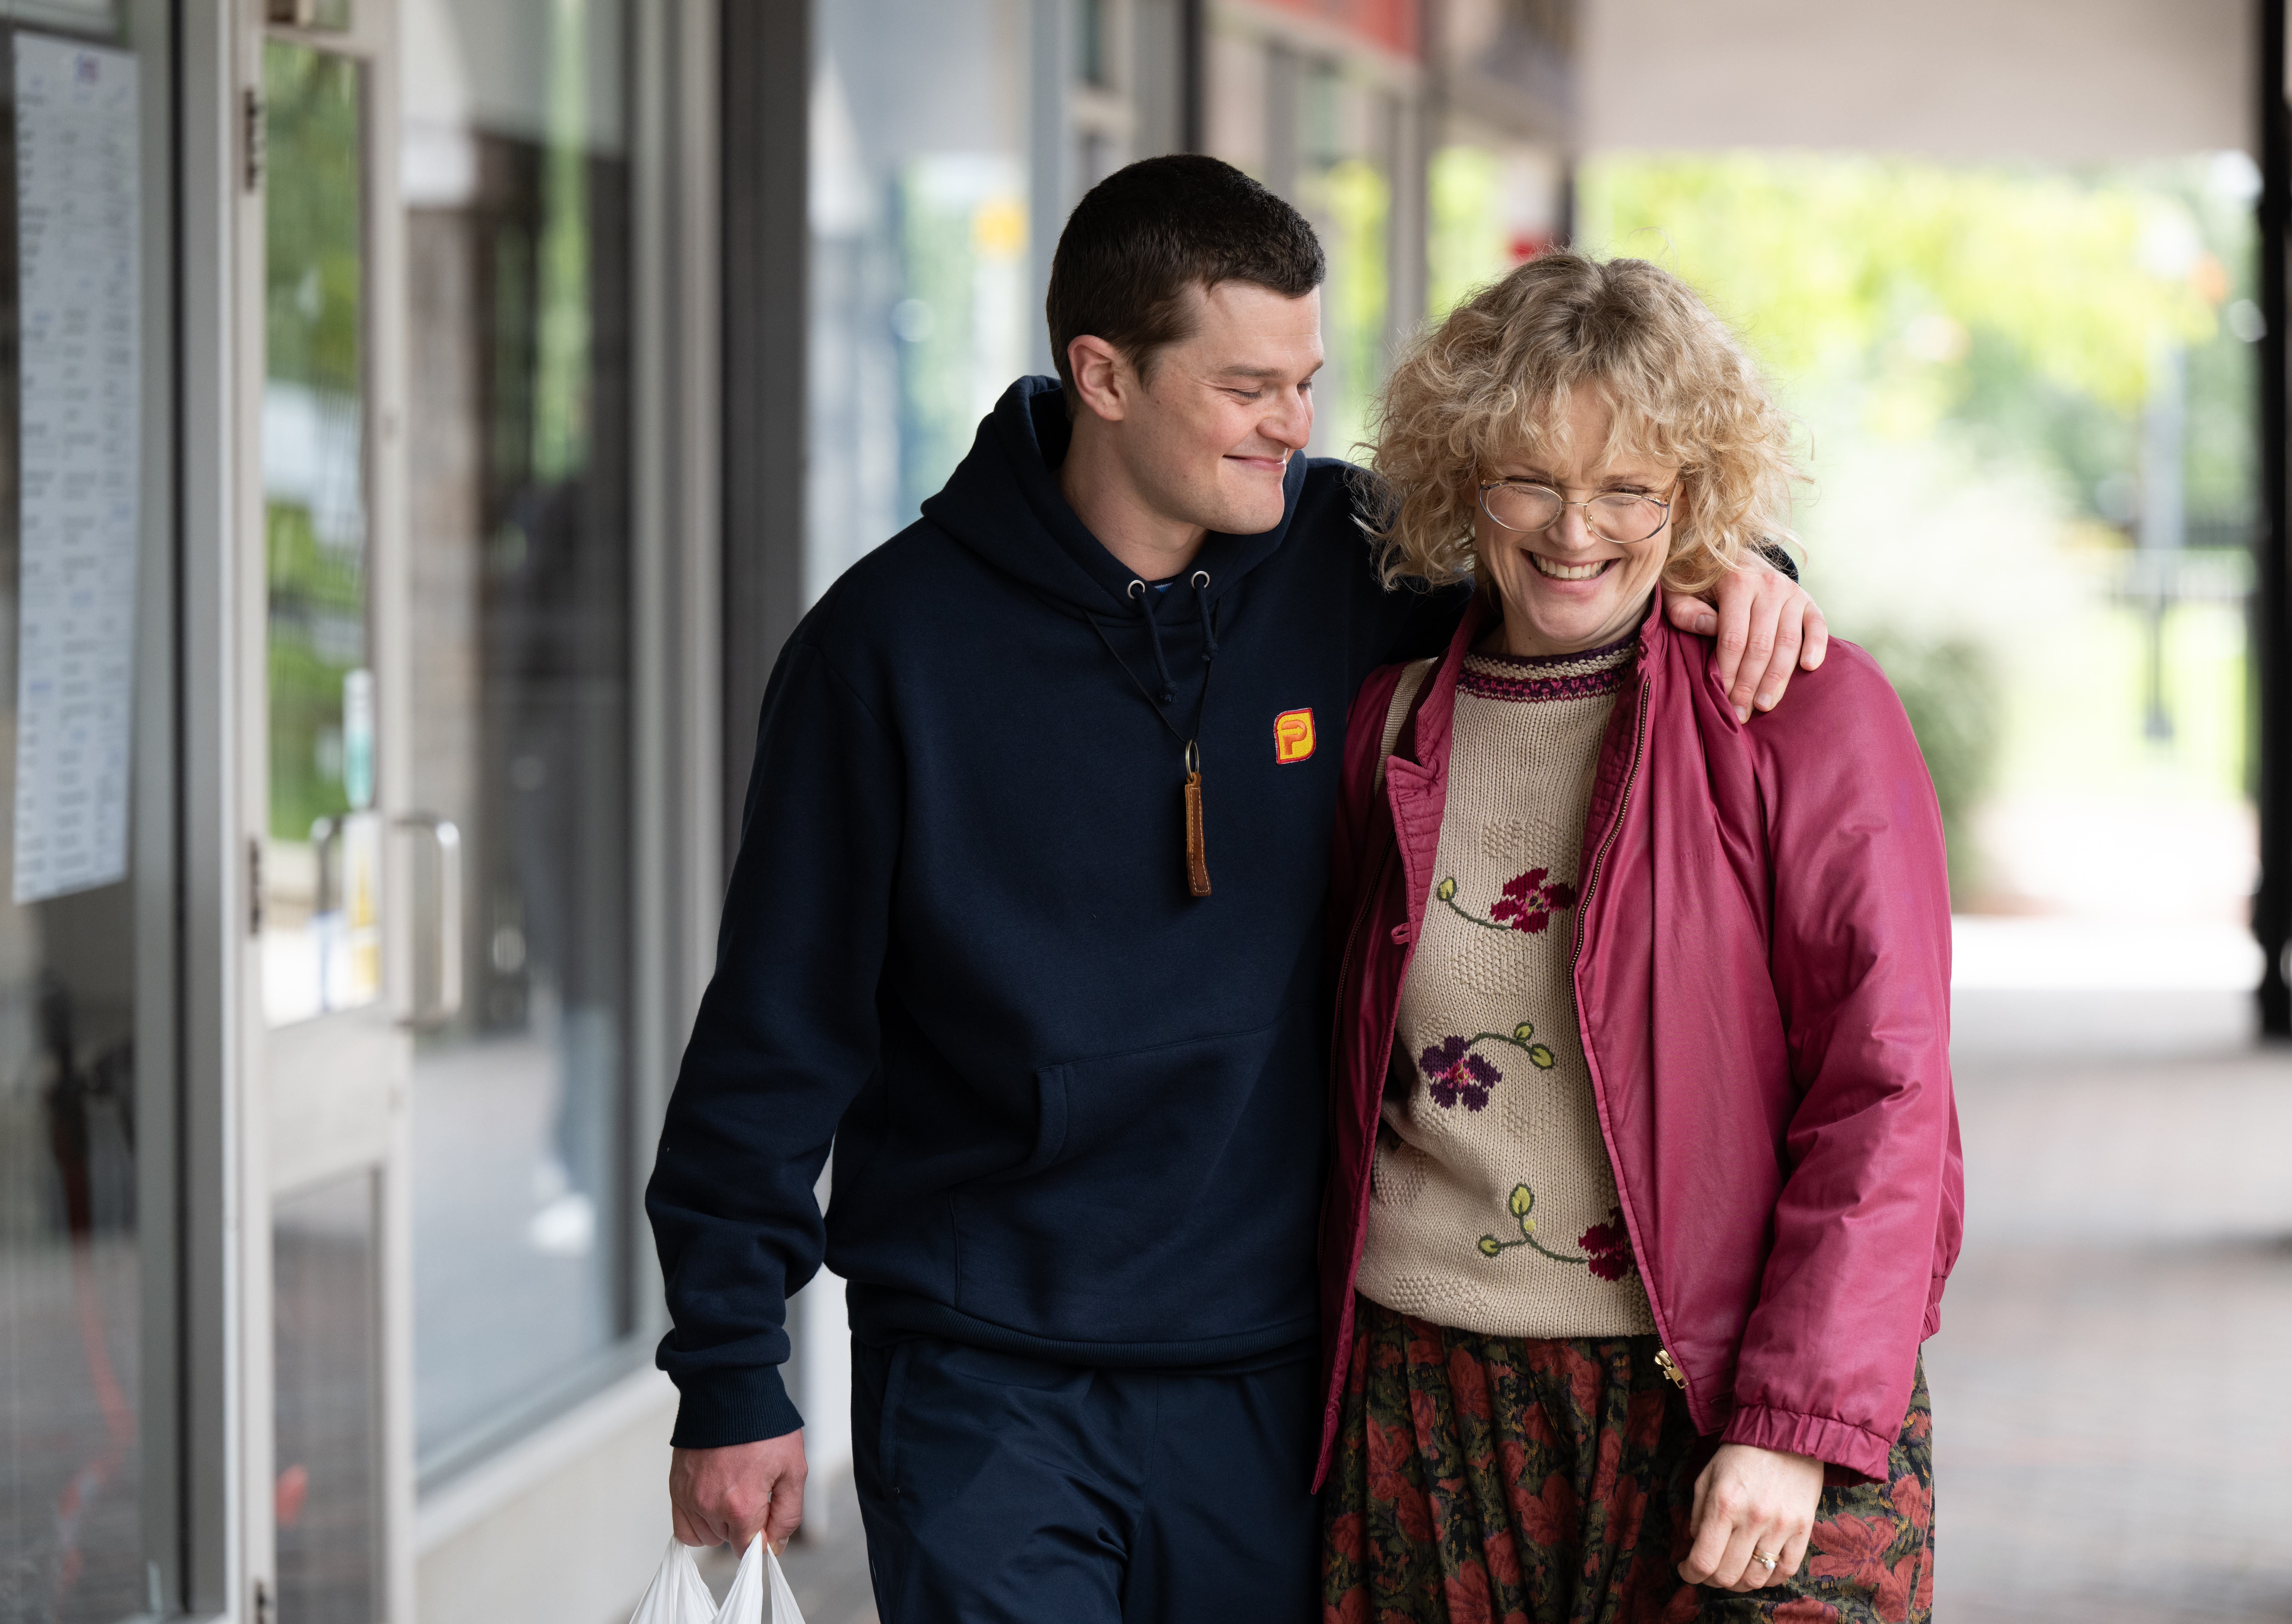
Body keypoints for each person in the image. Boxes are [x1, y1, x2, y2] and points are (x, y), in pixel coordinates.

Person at [645, 157, 1828, 1623]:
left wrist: (1748, 566)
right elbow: (775, 1033)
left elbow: (1578, 557)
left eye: (1306, 382)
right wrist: (729, 1369)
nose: (1293, 423)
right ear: (1105, 376)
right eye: (1248, 387)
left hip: (1274, 1374)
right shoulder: (884, 652)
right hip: (982, 1372)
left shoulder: (1346, 559)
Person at [1316, 252, 1961, 1623]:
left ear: (1694, 494)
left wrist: (1794, 1423)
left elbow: (1888, 1094)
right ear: (1465, 475)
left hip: (1732, 1397)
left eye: (1628, 488)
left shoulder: (1801, 709)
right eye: (1531, 479)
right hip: (1431, 1410)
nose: (1575, 530)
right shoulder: (1387, 725)